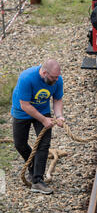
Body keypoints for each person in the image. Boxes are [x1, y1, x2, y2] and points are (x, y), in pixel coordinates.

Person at [11, 59, 64, 195]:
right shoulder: (27, 78)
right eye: (53, 77)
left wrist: (59, 116)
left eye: (58, 76)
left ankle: (37, 180)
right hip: (22, 112)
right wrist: (44, 120)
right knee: (20, 144)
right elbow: (25, 105)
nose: (56, 79)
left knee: (43, 145)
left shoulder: (58, 80)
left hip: (42, 110)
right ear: (44, 72)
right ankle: (33, 166)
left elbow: (57, 99)